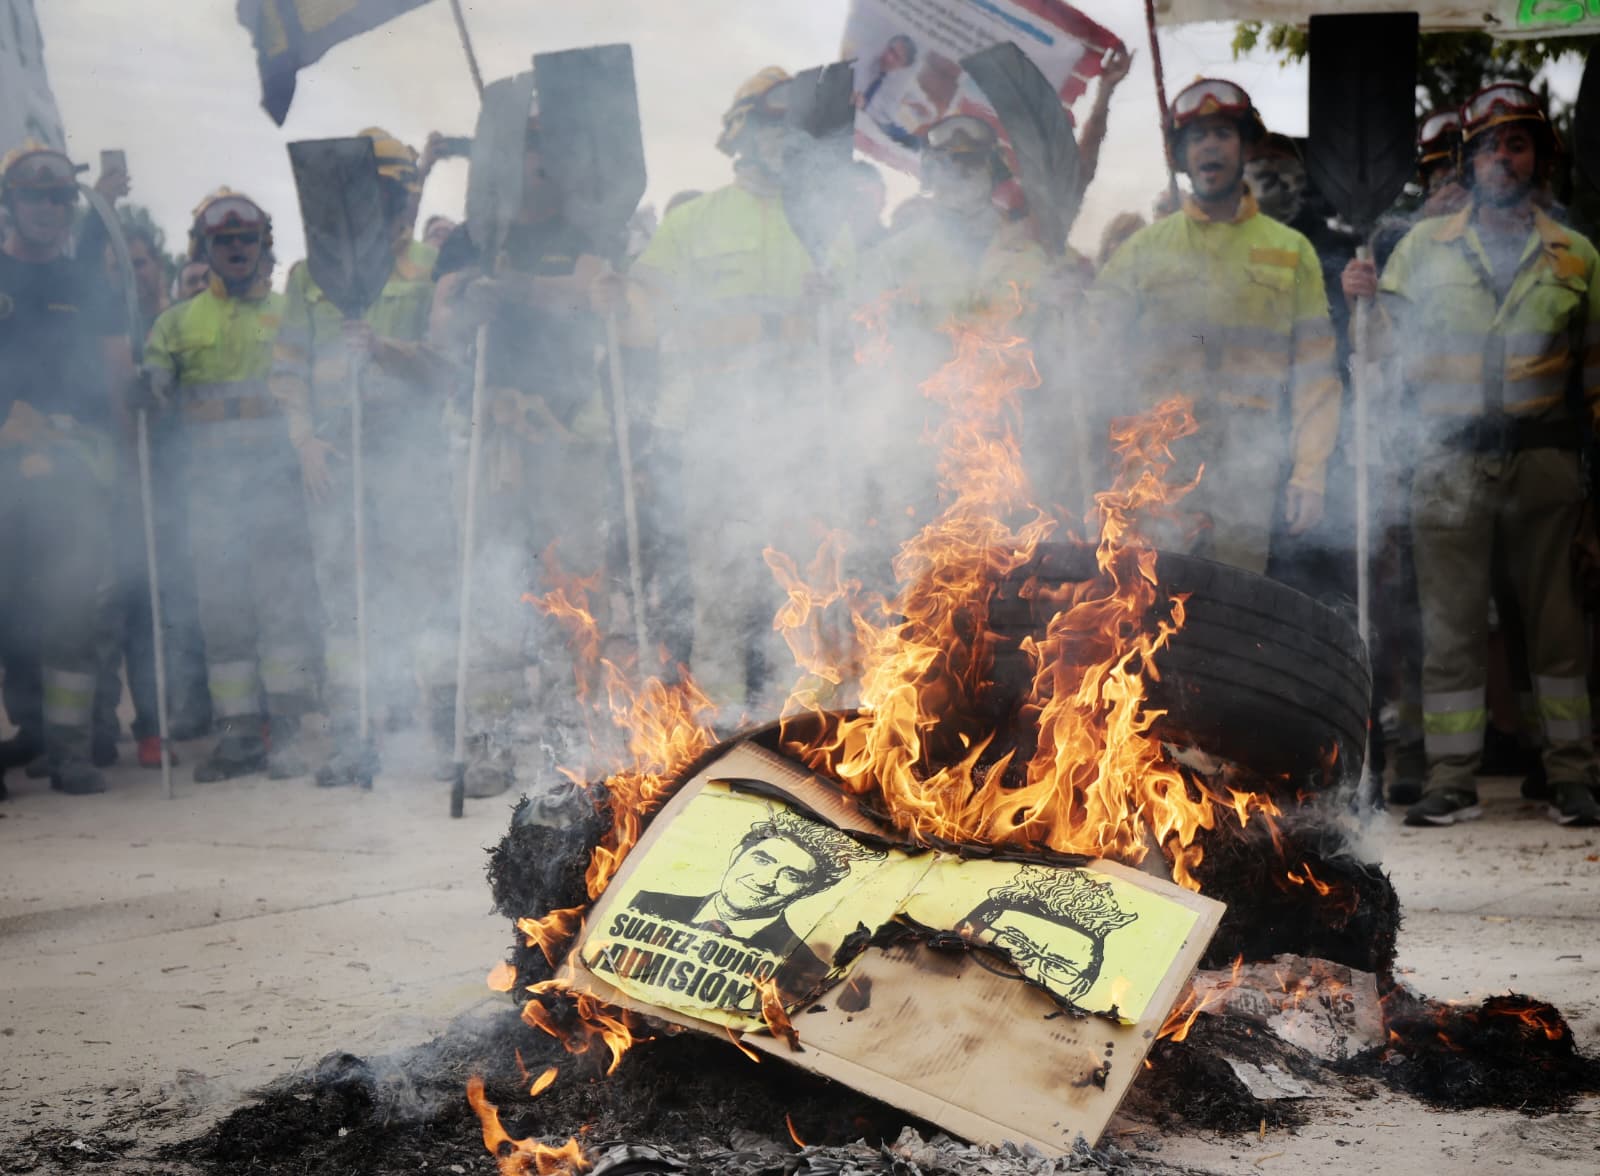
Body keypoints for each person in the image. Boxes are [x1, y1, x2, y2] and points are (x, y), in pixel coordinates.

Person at [1341, 82, 1600, 828]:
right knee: (1448, 626)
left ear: (1540, 157)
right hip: (1447, 463)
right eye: (1488, 145)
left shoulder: (1577, 256)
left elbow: (1596, 379)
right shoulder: (1420, 249)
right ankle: (1452, 780)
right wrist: (1363, 298)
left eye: (1517, 142)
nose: (1501, 157)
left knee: (1556, 627)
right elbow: (1381, 363)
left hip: (1544, 462)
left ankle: (1571, 777)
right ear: (1468, 159)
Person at [621, 69, 848, 713]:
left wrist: (840, 307)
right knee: (719, 585)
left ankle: (803, 720)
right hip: (713, 431)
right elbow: (646, 318)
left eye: (792, 125)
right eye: (771, 121)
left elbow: (868, 325)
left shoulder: (828, 228)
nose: (783, 137)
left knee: (805, 580)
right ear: (742, 131)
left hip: (805, 431)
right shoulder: (692, 223)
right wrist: (615, 298)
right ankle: (718, 720)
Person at [1091, 78, 1342, 576]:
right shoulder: (1141, 252)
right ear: (1180, 155)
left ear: (1245, 148)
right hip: (1158, 461)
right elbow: (1093, 359)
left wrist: (1310, 474)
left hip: (1249, 462)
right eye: (1197, 137)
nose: (1210, 146)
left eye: (1223, 134)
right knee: (1150, 612)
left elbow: (1317, 376)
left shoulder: (1292, 250)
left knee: (1235, 615)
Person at [431, 115, 613, 796]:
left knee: (574, 584)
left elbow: (591, 293)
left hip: (562, 434)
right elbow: (440, 322)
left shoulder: (583, 232)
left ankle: (574, 739)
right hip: (489, 432)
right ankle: (491, 742)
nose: (549, 164)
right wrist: (468, 304)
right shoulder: (471, 241)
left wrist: (519, 288)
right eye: (538, 150)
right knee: (490, 583)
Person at [273, 128, 454, 788]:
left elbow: (449, 369)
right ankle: (354, 739)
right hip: (337, 461)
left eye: (388, 192)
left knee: (423, 595)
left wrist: (385, 352)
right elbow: (286, 368)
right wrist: (304, 439)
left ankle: (442, 738)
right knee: (344, 608)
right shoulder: (307, 278)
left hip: (409, 463)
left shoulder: (429, 270)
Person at [144, 190, 318, 782]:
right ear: (205, 249)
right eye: (224, 240)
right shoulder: (174, 325)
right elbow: (157, 400)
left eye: (247, 240)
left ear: (264, 247)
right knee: (224, 622)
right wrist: (149, 387)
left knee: (283, 617)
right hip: (211, 501)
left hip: (277, 495)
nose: (237, 248)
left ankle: (289, 734)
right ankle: (240, 736)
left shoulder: (290, 318)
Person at [0, 143, 130, 798]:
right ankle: (28, 733)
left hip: (73, 472)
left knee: (69, 612)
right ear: (10, 202)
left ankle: (70, 752)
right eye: (34, 195)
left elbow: (114, 377)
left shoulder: (90, 288)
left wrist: (124, 459)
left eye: (59, 197)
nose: (48, 208)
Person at [628, 809, 879, 1001]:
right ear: (737, 853)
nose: (764, 880)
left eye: (791, 876)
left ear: (810, 890)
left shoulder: (804, 967)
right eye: (762, 859)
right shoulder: (645, 903)